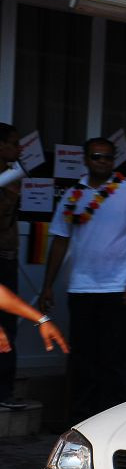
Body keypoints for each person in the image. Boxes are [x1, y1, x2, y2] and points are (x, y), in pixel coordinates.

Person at [40, 137, 126, 420]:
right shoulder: (73, 195)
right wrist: (47, 286)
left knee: (114, 358)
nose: (101, 162)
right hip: (81, 289)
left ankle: (112, 418)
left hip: (117, 288)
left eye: (107, 157)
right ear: (86, 159)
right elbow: (60, 241)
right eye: (96, 157)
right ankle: (81, 417)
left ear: (114, 160)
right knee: (82, 358)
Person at [0, 124, 23, 408]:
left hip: (8, 258)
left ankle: (4, 392)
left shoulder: (11, 176)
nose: (19, 149)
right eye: (14, 143)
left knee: (8, 326)